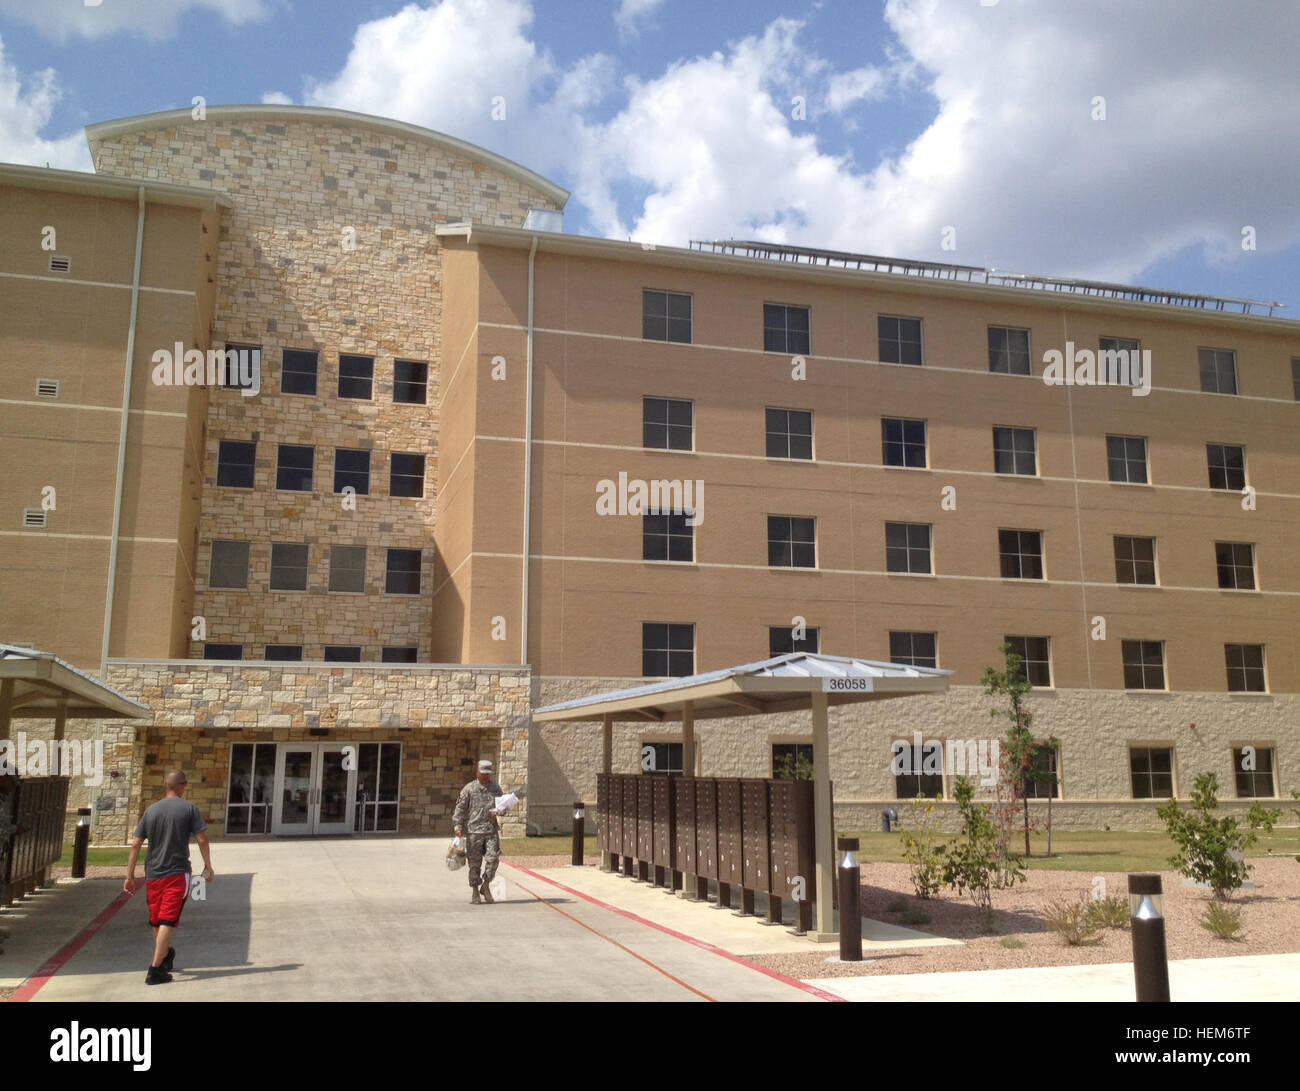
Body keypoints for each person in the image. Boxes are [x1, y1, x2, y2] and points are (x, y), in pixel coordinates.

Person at [124, 770, 214, 985]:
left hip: (153, 874)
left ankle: (163, 955)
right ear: (182, 786)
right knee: (167, 920)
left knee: (157, 919)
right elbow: (201, 839)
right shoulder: (189, 809)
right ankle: (155, 970)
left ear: (165, 786)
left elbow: (136, 843)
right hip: (177, 873)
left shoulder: (150, 811)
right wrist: (208, 867)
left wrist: (129, 875)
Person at [453, 759, 502, 904]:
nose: (486, 776)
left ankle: (485, 885)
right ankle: (475, 891)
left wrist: (502, 810)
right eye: (483, 773)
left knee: (493, 860)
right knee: (474, 864)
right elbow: (460, 809)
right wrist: (458, 827)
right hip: (474, 832)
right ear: (477, 773)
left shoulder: (496, 788)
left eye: (488, 774)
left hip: (491, 830)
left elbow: (502, 806)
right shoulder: (469, 789)